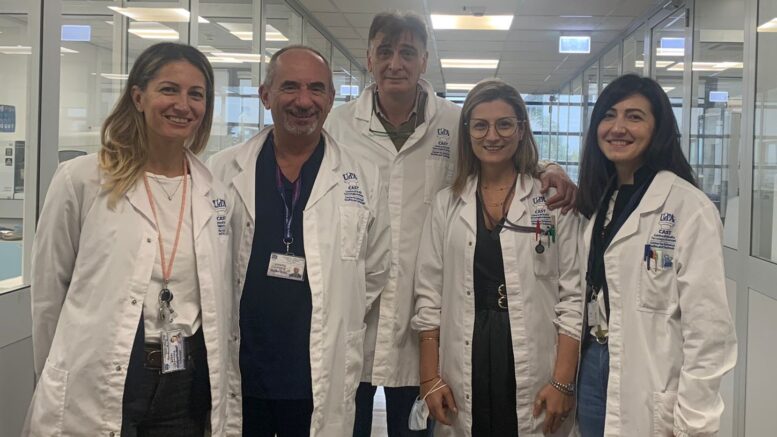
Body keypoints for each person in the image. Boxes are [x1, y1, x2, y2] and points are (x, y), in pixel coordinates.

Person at [325, 12, 578, 436]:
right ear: (369, 58)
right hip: (355, 312)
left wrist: (550, 169)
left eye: (407, 52)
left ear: (424, 60)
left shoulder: (451, 121)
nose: (395, 63)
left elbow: (498, 149)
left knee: (418, 428)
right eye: (384, 52)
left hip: (424, 328)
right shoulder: (338, 126)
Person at [24, 42, 233, 436]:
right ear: (138, 97)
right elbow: (49, 293)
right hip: (99, 375)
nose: (183, 105)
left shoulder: (215, 193)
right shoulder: (82, 180)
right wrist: (57, 375)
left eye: (196, 94)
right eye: (169, 89)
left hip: (184, 383)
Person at [208, 45, 391, 436]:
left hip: (318, 370)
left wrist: (339, 307)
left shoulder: (363, 176)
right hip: (244, 367)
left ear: (331, 98)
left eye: (316, 88)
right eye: (290, 87)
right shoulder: (223, 170)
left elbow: (375, 269)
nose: (304, 101)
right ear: (265, 95)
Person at [412, 79, 582, 437]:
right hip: (466, 350)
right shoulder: (447, 203)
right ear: (467, 132)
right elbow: (429, 294)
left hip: (532, 351)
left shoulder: (551, 201)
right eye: (480, 125)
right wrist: (429, 377)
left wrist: (563, 381)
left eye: (504, 124)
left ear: (521, 130)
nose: (492, 136)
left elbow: (573, 296)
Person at [574, 74, 737, 436]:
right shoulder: (603, 199)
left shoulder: (688, 207)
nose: (618, 127)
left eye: (634, 116)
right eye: (609, 115)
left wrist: (696, 421)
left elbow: (708, 329)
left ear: (658, 128)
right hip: (594, 364)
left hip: (651, 374)